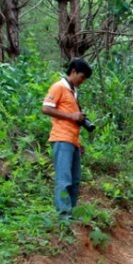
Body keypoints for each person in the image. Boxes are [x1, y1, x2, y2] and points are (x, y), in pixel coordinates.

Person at [42, 58, 93, 216]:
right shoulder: (59, 87)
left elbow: (73, 119)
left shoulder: (73, 92)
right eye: (82, 77)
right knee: (64, 180)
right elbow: (46, 108)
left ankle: (71, 213)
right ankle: (64, 216)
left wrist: (79, 142)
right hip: (61, 139)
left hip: (72, 142)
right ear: (73, 72)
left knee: (75, 180)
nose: (83, 81)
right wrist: (72, 116)